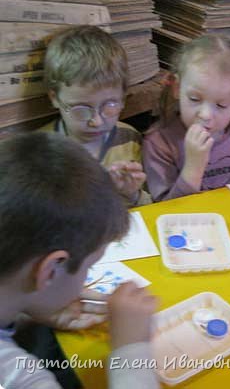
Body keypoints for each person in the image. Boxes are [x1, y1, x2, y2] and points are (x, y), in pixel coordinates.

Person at [0, 132, 158, 388]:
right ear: (50, 270)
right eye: (90, 266)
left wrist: (30, 311)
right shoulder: (21, 379)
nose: (87, 276)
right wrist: (131, 347)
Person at [143, 35, 230, 201]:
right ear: (177, 88)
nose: (205, 115)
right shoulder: (159, 144)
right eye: (195, 99)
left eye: (221, 105)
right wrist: (194, 166)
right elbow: (163, 211)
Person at [41, 25, 151, 206]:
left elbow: (148, 207)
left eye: (110, 105)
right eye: (81, 109)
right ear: (55, 98)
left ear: (123, 98)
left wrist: (131, 194)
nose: (96, 121)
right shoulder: (38, 151)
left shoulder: (130, 139)